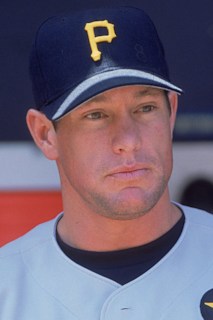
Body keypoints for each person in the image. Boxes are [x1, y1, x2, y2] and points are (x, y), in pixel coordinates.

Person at [0, 6, 213, 320]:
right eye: (95, 115)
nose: (128, 140)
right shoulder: (7, 288)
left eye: (145, 107)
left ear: (171, 113)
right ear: (46, 134)